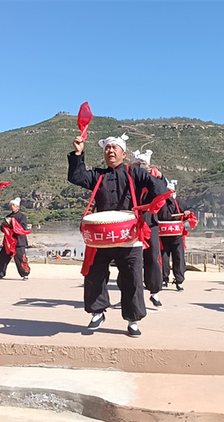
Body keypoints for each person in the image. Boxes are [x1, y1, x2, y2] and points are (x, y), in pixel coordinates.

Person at [68, 133, 167, 337]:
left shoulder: (135, 174)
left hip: (128, 234)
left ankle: (133, 320)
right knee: (94, 274)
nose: (110, 151)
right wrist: (78, 153)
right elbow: (76, 177)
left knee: (132, 277)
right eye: (107, 148)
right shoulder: (98, 175)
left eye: (115, 148)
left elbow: (160, 190)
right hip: (103, 235)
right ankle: (97, 312)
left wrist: (154, 180)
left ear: (124, 153)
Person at [131, 149, 164, 307]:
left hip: (150, 222)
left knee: (152, 257)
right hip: (131, 222)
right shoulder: (130, 178)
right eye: (139, 164)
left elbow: (164, 193)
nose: (141, 167)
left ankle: (154, 291)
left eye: (144, 165)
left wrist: (159, 177)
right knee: (130, 259)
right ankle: (128, 291)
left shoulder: (154, 179)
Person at [157, 180, 194, 291]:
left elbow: (191, 209)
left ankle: (179, 281)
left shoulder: (179, 203)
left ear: (174, 192)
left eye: (170, 191)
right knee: (164, 259)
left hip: (177, 236)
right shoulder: (159, 203)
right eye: (166, 191)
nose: (169, 193)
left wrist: (188, 212)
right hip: (163, 237)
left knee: (179, 258)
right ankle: (164, 279)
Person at [0, 197, 31, 280]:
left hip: (19, 241)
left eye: (14, 205)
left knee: (20, 258)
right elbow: (2, 228)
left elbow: (22, 227)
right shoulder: (8, 216)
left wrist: (12, 224)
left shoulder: (22, 217)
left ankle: (25, 273)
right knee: (2, 257)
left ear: (18, 207)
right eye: (11, 205)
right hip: (9, 241)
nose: (12, 207)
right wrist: (5, 225)